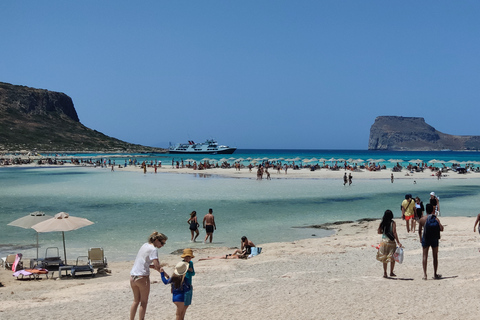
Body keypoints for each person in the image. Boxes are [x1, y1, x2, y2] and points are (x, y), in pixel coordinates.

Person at [130, 231, 167, 320]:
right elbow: (157, 265)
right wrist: (163, 273)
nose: (162, 245)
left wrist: (157, 269)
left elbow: (144, 262)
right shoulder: (153, 249)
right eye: (162, 243)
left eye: (164, 244)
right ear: (157, 240)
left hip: (133, 276)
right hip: (142, 277)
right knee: (143, 302)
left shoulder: (145, 245)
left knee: (135, 301)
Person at [418, 204, 444, 280]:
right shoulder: (435, 219)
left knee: (424, 256)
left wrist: (420, 238)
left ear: (426, 210)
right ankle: (435, 273)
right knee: (435, 256)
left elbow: (419, 231)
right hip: (434, 239)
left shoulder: (422, 219)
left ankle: (425, 275)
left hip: (425, 238)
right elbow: (441, 229)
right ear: (432, 210)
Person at [376, 210, 402, 278]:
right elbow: (394, 232)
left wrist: (384, 233)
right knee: (392, 257)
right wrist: (398, 242)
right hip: (391, 242)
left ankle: (385, 273)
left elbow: (379, 232)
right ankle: (391, 272)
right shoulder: (393, 223)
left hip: (384, 241)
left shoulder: (382, 223)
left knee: (384, 257)